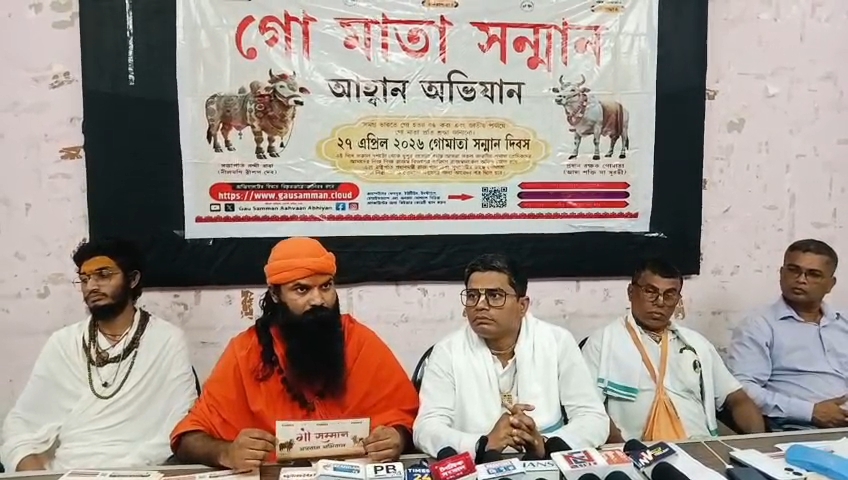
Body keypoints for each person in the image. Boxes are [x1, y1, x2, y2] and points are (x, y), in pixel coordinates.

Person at [170, 237, 419, 469]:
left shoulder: (360, 342)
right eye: (302, 290)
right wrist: (226, 453)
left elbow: (409, 419)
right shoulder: (246, 352)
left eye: (326, 286)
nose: (318, 300)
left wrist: (396, 438)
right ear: (275, 294)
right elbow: (188, 438)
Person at [0, 238, 198, 471]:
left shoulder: (166, 340)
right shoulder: (64, 343)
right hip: (69, 469)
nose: (91, 286)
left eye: (103, 275)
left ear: (133, 279)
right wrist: (32, 470)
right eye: (84, 279)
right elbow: (23, 424)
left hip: (142, 469)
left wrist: (130, 471)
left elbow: (180, 422)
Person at [413, 254, 609, 460]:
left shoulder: (557, 342)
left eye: (494, 295)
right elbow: (426, 428)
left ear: (522, 305)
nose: (480, 305)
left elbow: (593, 418)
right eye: (472, 296)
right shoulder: (447, 351)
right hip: (476, 465)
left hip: (546, 462)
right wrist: (482, 444)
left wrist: (545, 443)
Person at [582, 258, 764, 443]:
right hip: (638, 448)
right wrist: (625, 453)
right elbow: (590, 409)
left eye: (669, 295)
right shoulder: (603, 342)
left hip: (698, 445)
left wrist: (761, 444)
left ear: (678, 299)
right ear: (630, 292)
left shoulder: (696, 345)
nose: (660, 302)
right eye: (650, 292)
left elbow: (737, 398)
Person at [727, 239, 848, 431]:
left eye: (813, 274)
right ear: (781, 274)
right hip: (799, 428)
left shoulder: (843, 323)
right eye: (793, 270)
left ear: (830, 284)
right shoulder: (759, 325)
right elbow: (742, 389)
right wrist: (809, 411)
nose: (801, 279)